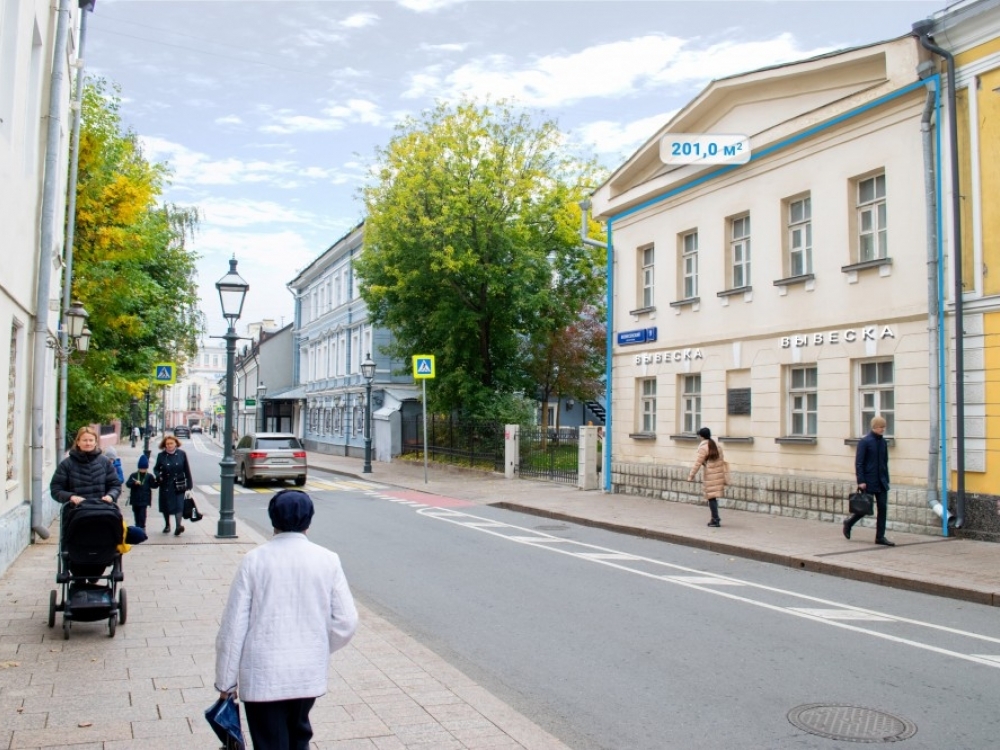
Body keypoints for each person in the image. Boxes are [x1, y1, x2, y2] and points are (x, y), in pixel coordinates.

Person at [215, 490, 358, 750]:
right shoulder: (327, 560)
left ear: (273, 519)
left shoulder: (254, 561)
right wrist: (318, 646)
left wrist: (225, 683)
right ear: (309, 520)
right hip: (306, 673)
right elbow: (346, 622)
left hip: (263, 673)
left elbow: (233, 627)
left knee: (269, 741)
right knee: (299, 735)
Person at [845, 415, 894, 546]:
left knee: (882, 508)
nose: (883, 429)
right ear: (874, 427)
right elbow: (859, 463)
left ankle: (880, 537)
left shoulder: (883, 443)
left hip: (882, 481)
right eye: (880, 427)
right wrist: (861, 480)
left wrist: (886, 479)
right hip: (869, 480)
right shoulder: (865, 442)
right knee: (864, 508)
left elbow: (885, 462)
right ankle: (849, 523)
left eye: (884, 427)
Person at [50, 426, 122, 508]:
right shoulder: (66, 464)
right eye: (84, 440)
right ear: (78, 442)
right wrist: (71, 497)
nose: (88, 443)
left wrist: (110, 496)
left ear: (95, 442)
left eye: (91, 440)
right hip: (75, 513)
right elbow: (55, 489)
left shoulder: (105, 462)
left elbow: (115, 485)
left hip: (102, 511)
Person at [687, 426, 727, 527]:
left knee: (711, 498)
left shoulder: (704, 447)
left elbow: (697, 463)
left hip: (710, 476)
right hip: (718, 474)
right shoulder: (717, 445)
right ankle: (715, 518)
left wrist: (691, 475)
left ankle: (715, 519)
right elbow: (721, 460)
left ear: (701, 436)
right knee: (713, 498)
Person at [153, 434, 193, 536]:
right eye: (167, 444)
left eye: (171, 443)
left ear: (176, 443)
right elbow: (156, 468)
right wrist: (158, 476)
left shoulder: (181, 454)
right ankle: (167, 525)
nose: (170, 445)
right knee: (166, 505)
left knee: (179, 505)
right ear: (164, 445)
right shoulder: (161, 456)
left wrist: (189, 485)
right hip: (166, 484)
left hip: (179, 484)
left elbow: (186, 470)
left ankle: (178, 526)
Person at [125, 454, 158, 531]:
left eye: (144, 468)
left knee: (142, 514)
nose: (143, 470)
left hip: (144, 499)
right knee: (136, 513)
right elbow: (128, 484)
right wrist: (134, 483)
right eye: (141, 468)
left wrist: (158, 481)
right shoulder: (134, 475)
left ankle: (142, 527)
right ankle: (137, 526)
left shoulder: (149, 476)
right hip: (135, 498)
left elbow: (154, 485)